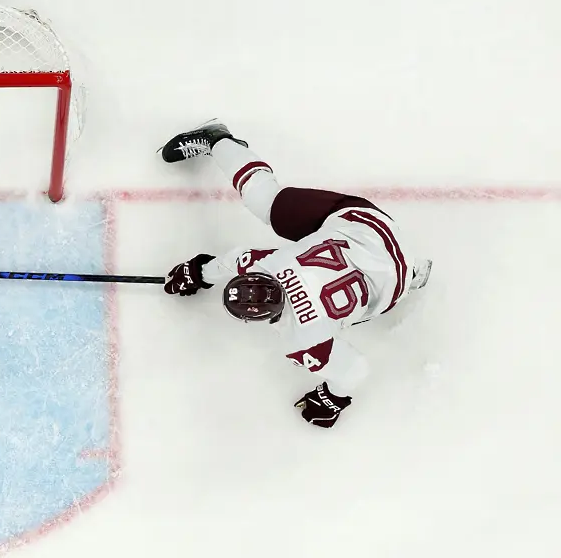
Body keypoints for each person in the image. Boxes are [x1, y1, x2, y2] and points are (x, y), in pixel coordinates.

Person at [158, 122, 433, 428]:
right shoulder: (272, 274)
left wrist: (333, 400)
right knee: (267, 202)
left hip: (393, 279)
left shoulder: (305, 337)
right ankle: (219, 141)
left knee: (368, 302)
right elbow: (234, 260)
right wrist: (198, 271)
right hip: (367, 226)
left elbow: (355, 369)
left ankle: (414, 275)